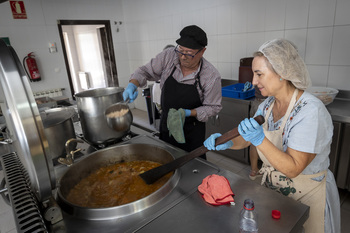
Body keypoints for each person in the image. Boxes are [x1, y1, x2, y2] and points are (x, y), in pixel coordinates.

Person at [203, 38, 341, 232]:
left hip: (308, 197)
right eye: (254, 74)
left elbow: (293, 168)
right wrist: (226, 142)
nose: (253, 81)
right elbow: (246, 138)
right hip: (275, 193)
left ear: (282, 73)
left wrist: (260, 139)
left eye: (259, 74)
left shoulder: (310, 111)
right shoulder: (266, 106)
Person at [123, 25, 222, 159]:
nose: (182, 57)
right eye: (180, 50)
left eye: (189, 53)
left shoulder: (211, 75)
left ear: (202, 51)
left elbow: (213, 107)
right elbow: (144, 71)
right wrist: (132, 84)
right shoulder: (169, 56)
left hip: (192, 132)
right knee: (166, 161)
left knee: (192, 166)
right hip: (166, 125)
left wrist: (188, 113)